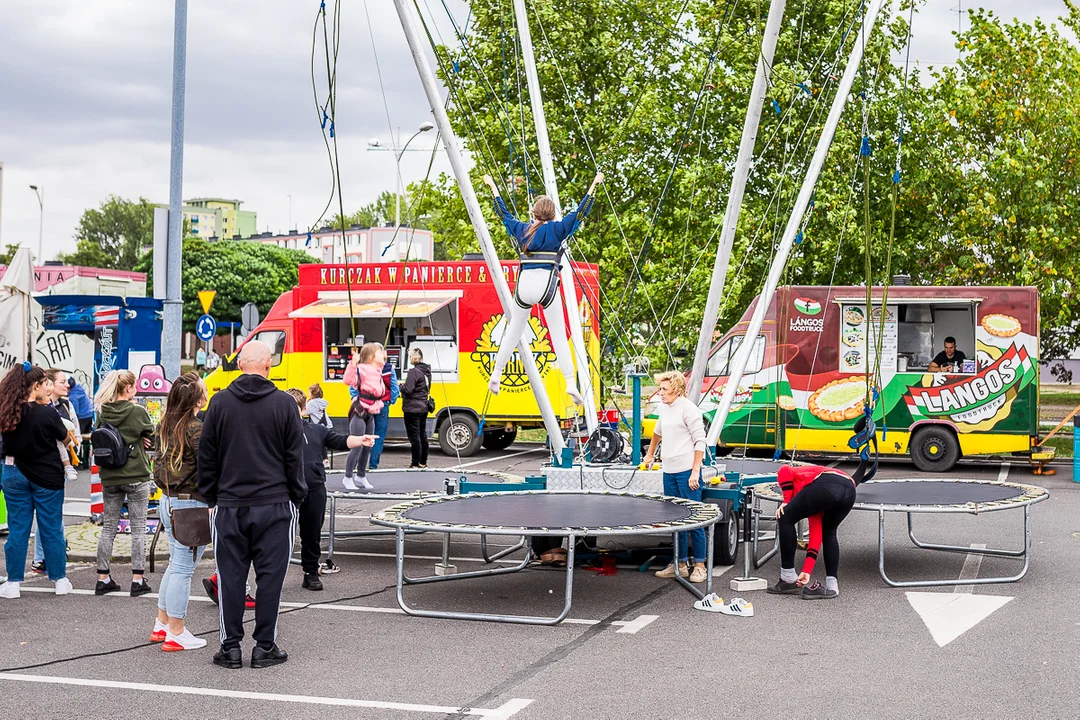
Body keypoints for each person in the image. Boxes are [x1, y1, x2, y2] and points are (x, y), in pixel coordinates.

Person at [198, 340, 306, 670]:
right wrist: (296, 496)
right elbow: (294, 458)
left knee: (231, 578)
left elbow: (207, 456)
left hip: (229, 504)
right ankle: (264, 646)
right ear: (269, 366)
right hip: (274, 504)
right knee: (270, 579)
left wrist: (212, 497)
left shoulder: (219, 404)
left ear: (239, 365)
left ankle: (229, 648)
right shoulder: (285, 405)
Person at [481, 171, 604, 405]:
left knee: (513, 331)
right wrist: (593, 184)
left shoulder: (523, 230)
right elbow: (580, 212)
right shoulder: (558, 230)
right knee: (558, 333)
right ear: (553, 214)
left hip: (524, 285)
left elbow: (502, 213)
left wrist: (492, 187)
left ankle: (496, 375)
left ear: (534, 214)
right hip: (547, 284)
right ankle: (570, 382)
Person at [285, 388, 375, 590]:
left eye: (294, 408)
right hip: (286, 491)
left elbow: (340, 440)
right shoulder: (276, 432)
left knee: (312, 533)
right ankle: (274, 575)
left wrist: (360, 440)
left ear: (303, 409)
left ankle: (310, 573)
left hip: (314, 488)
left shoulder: (315, 430)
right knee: (280, 535)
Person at [0, 363, 73, 598]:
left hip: (12, 472)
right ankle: (59, 579)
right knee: (51, 528)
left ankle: (13, 583)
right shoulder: (47, 413)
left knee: (18, 529)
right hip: (47, 476)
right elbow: (67, 439)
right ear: (36, 386)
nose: (48, 389)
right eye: (45, 384)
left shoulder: (6, 411)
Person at [151, 372, 211, 652]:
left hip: (169, 499)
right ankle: (176, 631)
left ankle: (162, 624)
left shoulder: (165, 425)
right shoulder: (195, 429)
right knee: (183, 569)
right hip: (189, 503)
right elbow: (209, 469)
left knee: (175, 565)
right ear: (199, 399)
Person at [642, 370, 708, 584]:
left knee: (694, 518)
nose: (660, 393)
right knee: (674, 519)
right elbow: (657, 433)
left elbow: (700, 442)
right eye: (660, 388)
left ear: (677, 389)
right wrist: (650, 454)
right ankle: (679, 563)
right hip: (668, 471)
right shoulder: (666, 409)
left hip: (686, 471)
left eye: (664, 389)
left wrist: (695, 471)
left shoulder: (689, 410)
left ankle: (699, 566)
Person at [93, 369, 155, 597]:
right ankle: (137, 580)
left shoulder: (103, 411)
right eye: (134, 385)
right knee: (138, 528)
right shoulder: (137, 411)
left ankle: (103, 577)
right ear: (127, 388)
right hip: (136, 476)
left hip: (110, 476)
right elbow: (151, 432)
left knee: (108, 527)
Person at [766, 464, 857, 599]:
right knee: (829, 531)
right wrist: (806, 571)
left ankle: (788, 579)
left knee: (785, 517)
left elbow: (784, 470)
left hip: (828, 483)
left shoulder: (801, 483)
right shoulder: (814, 501)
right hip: (849, 489)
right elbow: (815, 536)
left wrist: (786, 501)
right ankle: (832, 587)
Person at [30, 369, 79, 575]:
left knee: (52, 514)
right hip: (47, 466)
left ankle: (47, 556)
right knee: (49, 514)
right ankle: (44, 558)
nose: (67, 385)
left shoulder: (66, 405)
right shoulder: (42, 408)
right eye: (62, 382)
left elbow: (74, 429)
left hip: (62, 464)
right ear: (48, 384)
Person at [342, 343, 385, 491]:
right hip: (359, 411)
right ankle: (347, 476)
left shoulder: (378, 370)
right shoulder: (361, 370)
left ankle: (361, 474)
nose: (383, 354)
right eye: (381, 352)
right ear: (372, 357)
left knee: (368, 446)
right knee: (357, 445)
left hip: (371, 412)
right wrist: (353, 363)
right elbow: (348, 380)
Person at [400, 347, 432, 469]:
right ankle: (423, 462)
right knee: (422, 435)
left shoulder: (414, 372)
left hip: (412, 408)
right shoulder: (427, 371)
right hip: (423, 407)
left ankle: (415, 463)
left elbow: (408, 390)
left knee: (414, 437)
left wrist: (401, 386)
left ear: (412, 358)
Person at [368, 356, 400, 471]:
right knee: (379, 435)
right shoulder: (388, 368)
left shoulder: (364, 366)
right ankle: (373, 465)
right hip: (382, 404)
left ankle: (357, 464)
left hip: (367, 404)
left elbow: (354, 387)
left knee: (364, 435)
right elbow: (395, 388)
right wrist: (390, 401)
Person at [67, 377, 94, 460]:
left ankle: (77, 457)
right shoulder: (79, 388)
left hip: (82, 419)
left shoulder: (73, 397)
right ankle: (85, 458)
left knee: (73, 435)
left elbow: (75, 413)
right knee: (86, 440)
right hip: (89, 416)